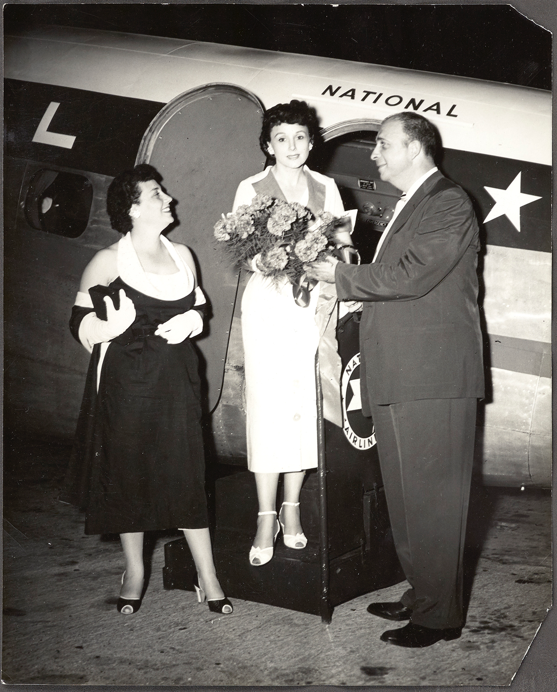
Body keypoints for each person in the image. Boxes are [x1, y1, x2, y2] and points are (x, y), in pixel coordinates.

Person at [307, 112, 484, 648]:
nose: (374, 156)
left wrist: (337, 277)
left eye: (383, 145)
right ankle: (425, 592)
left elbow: (411, 277)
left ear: (416, 148)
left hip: (432, 376)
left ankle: (439, 617)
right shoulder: (416, 204)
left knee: (432, 499)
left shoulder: (448, 202)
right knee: (408, 497)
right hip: (406, 372)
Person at [62, 164, 232, 616]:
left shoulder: (183, 255)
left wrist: (194, 320)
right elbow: (77, 320)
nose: (168, 199)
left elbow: (198, 304)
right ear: (133, 208)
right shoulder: (106, 261)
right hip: (126, 384)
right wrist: (104, 326)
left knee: (186, 475)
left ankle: (207, 575)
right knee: (127, 475)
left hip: (177, 381)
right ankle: (134, 571)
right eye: (156, 194)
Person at [233, 100, 352, 566]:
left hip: (311, 309)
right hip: (268, 307)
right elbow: (241, 250)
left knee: (303, 407)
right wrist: (264, 260)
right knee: (267, 409)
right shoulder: (252, 187)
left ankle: (293, 508)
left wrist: (334, 258)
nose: (292, 146)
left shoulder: (327, 188)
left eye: (300, 137)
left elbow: (343, 248)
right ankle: (265, 515)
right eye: (282, 138)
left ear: (311, 141)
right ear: (268, 144)